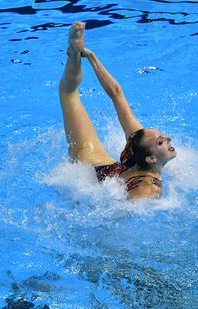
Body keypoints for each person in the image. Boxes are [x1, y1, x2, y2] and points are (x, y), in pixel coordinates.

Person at [59, 22, 177, 200]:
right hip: (91, 169)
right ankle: (75, 52)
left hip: (99, 165)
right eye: (161, 141)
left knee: (69, 93)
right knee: (68, 93)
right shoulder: (149, 187)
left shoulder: (139, 144)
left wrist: (91, 56)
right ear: (151, 159)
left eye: (162, 139)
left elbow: (116, 94)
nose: (168, 139)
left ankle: (75, 52)